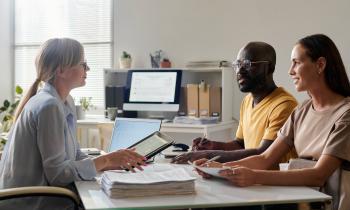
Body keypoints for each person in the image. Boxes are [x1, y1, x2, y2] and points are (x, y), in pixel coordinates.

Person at [195, 34, 350, 210]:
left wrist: (253, 176)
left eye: (296, 63)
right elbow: (265, 158)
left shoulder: (345, 116)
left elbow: (318, 175)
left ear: (320, 65)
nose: (290, 71)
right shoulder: (302, 111)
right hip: (298, 198)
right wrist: (219, 168)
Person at [0, 38, 146, 210]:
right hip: (32, 202)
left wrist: (110, 161)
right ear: (61, 70)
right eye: (83, 64)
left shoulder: (65, 101)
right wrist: (104, 160)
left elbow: (74, 154)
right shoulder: (49, 106)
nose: (88, 69)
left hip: (44, 195)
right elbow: (58, 176)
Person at [172, 42, 298, 164]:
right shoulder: (247, 101)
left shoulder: (284, 105)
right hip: (250, 176)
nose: (240, 71)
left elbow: (263, 153)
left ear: (269, 67)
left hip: (273, 182)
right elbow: (240, 144)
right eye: (237, 64)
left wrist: (208, 155)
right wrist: (212, 146)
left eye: (247, 64)